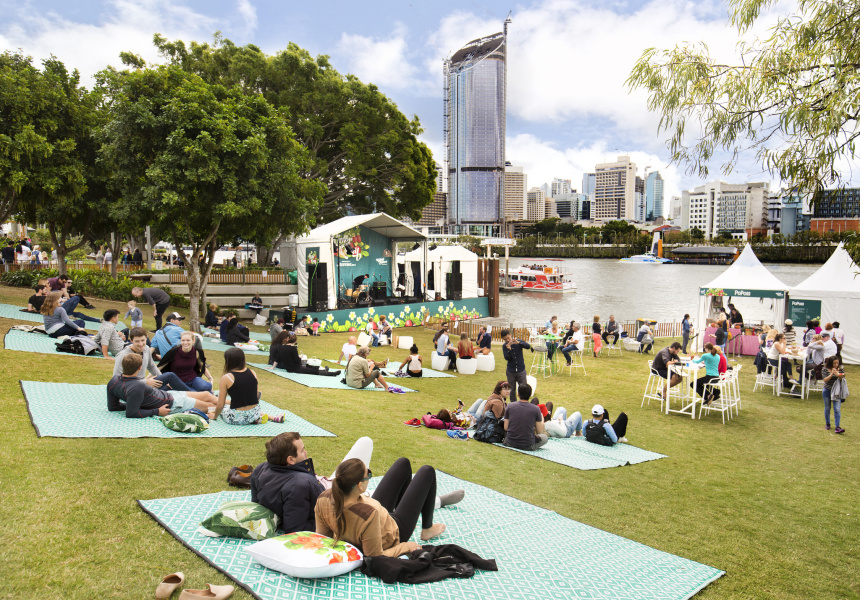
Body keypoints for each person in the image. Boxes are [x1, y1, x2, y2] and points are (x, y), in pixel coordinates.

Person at [315, 457, 464, 556]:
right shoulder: (369, 513)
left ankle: (405, 512)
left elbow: (323, 539)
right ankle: (427, 528)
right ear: (360, 485)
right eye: (368, 475)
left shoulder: (323, 499)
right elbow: (376, 557)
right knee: (427, 471)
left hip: (377, 518)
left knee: (403, 463)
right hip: (395, 529)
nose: (369, 476)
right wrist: (406, 546)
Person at [251, 433, 374, 534]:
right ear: (290, 459)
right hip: (344, 495)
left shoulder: (261, 469)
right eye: (302, 450)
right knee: (366, 443)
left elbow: (256, 504)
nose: (306, 453)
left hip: (329, 485)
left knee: (365, 442)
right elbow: (296, 529)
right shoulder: (298, 486)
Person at [106, 353, 217, 419]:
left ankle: (228, 403)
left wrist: (135, 405)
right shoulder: (137, 386)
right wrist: (156, 411)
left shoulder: (114, 381)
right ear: (140, 368)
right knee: (211, 406)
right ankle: (225, 408)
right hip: (174, 404)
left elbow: (113, 407)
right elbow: (131, 413)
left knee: (207, 395)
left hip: (169, 394)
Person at [212, 347, 281, 424]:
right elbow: (255, 395)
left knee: (218, 407)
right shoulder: (253, 372)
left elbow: (220, 405)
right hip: (255, 414)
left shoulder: (226, 378)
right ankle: (260, 419)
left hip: (237, 417)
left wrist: (214, 416)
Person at [112, 327, 192, 391]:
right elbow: (117, 380)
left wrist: (165, 381)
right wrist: (145, 382)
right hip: (132, 388)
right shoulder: (122, 356)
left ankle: (193, 396)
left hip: (144, 384)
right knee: (169, 378)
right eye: (137, 341)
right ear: (131, 340)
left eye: (142, 340)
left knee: (169, 386)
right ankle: (194, 397)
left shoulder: (146, 349)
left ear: (146, 338)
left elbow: (151, 366)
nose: (140, 344)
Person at [503, 383, 547, 451]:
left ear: (518, 393)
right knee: (544, 437)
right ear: (530, 394)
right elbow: (540, 431)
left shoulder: (510, 406)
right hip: (527, 445)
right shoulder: (536, 409)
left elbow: (506, 427)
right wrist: (542, 420)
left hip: (509, 442)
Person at [270, 332, 337, 376]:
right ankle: (331, 373)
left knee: (309, 367)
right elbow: (297, 360)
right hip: (294, 368)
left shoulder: (282, 347)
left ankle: (324, 370)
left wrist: (273, 367)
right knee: (312, 371)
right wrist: (300, 358)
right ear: (295, 341)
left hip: (289, 368)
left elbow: (277, 359)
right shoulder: (293, 348)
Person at [28, 284, 101, 323]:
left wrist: (37, 309)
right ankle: (97, 320)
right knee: (77, 297)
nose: (46, 291)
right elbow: (57, 305)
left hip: (52, 312)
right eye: (45, 290)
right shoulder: (46, 298)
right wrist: (61, 301)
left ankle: (98, 320)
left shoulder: (31, 298)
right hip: (56, 311)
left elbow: (29, 309)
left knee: (79, 314)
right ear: (40, 290)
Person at [501, 329, 531, 397]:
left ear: (510, 335)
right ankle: (513, 403)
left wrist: (519, 343)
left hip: (521, 370)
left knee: (524, 390)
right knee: (512, 391)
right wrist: (509, 350)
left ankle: (523, 403)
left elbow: (528, 346)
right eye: (505, 339)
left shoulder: (518, 341)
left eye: (508, 338)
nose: (507, 340)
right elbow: (506, 358)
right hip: (511, 371)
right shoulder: (505, 346)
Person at [822, 356, 846, 434]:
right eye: (834, 363)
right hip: (827, 390)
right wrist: (832, 374)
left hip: (837, 391)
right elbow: (825, 380)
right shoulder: (825, 369)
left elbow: (843, 377)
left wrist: (838, 374)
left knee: (837, 409)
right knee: (827, 407)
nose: (836, 365)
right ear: (830, 363)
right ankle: (827, 423)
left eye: (837, 363)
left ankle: (837, 426)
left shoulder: (840, 369)